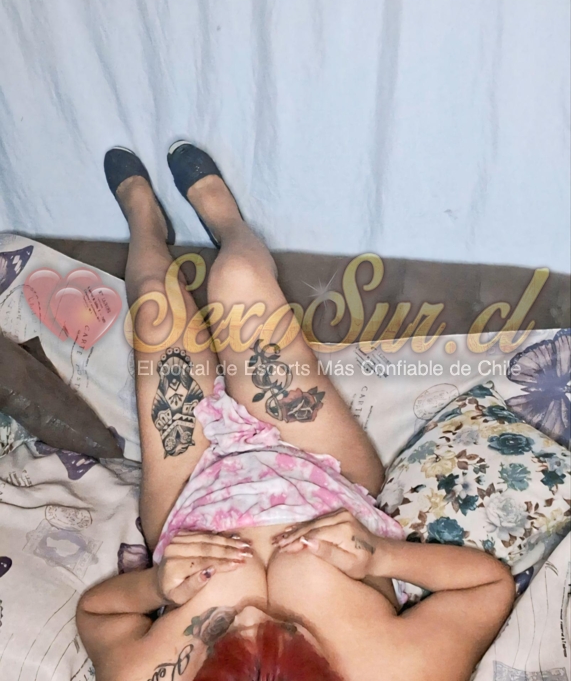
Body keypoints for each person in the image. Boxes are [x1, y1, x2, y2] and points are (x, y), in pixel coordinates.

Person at [76, 142, 515, 681]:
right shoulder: (401, 670)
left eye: (226, 631)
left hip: (191, 492)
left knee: (154, 306)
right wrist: (381, 557)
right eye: (287, 629)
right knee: (237, 278)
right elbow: (488, 585)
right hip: (318, 470)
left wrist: (154, 586)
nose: (253, 610)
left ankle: (144, 222)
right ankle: (230, 227)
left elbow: (96, 615)